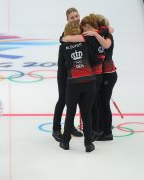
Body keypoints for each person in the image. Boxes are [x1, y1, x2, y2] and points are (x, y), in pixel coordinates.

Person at [62, 14, 111, 140]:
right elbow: (107, 38)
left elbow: (67, 39)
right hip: (97, 74)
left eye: (83, 28)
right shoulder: (102, 33)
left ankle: (95, 130)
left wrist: (64, 38)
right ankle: (98, 129)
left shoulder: (87, 38)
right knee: (96, 103)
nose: (83, 30)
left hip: (92, 75)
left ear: (88, 26)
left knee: (92, 106)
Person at [58, 22, 100, 152]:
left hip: (73, 84)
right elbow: (96, 61)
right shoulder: (86, 43)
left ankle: (65, 142)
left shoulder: (64, 47)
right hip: (89, 82)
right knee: (86, 113)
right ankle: (88, 144)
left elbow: (62, 68)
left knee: (70, 112)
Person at [52, 7, 83, 142]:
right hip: (65, 73)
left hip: (79, 72)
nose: (75, 19)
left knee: (74, 100)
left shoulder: (84, 30)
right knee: (63, 100)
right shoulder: (66, 34)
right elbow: (63, 39)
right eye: (72, 17)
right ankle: (56, 129)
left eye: (77, 16)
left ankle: (69, 126)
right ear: (67, 20)